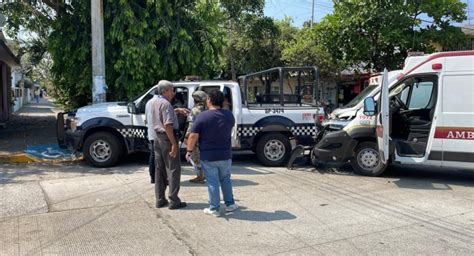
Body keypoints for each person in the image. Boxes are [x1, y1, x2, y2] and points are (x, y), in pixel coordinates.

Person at [186, 89, 238, 217]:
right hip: (225, 155)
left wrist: (189, 151)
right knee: (226, 179)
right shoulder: (229, 115)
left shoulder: (202, 116)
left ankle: (214, 208)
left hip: (208, 156)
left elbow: (193, 136)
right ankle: (230, 204)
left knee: (212, 181)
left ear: (209, 100)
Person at [151, 80, 189, 210]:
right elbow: (167, 125)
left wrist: (176, 110)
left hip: (158, 138)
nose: (173, 93)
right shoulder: (166, 104)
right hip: (167, 138)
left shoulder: (155, 102)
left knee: (159, 169)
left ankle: (160, 199)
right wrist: (174, 144)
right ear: (165, 91)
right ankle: (174, 200)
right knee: (173, 169)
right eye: (171, 90)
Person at [184, 91, 208, 183]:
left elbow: (191, 126)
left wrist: (187, 137)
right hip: (205, 138)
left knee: (195, 157)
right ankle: (204, 175)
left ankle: (200, 176)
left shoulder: (194, 110)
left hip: (196, 138)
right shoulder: (207, 109)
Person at [145, 90, 159, 184]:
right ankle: (157, 177)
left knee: (153, 155)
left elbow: (146, 118)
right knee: (158, 156)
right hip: (159, 134)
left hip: (152, 133)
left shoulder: (149, 102)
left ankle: (153, 177)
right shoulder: (160, 102)